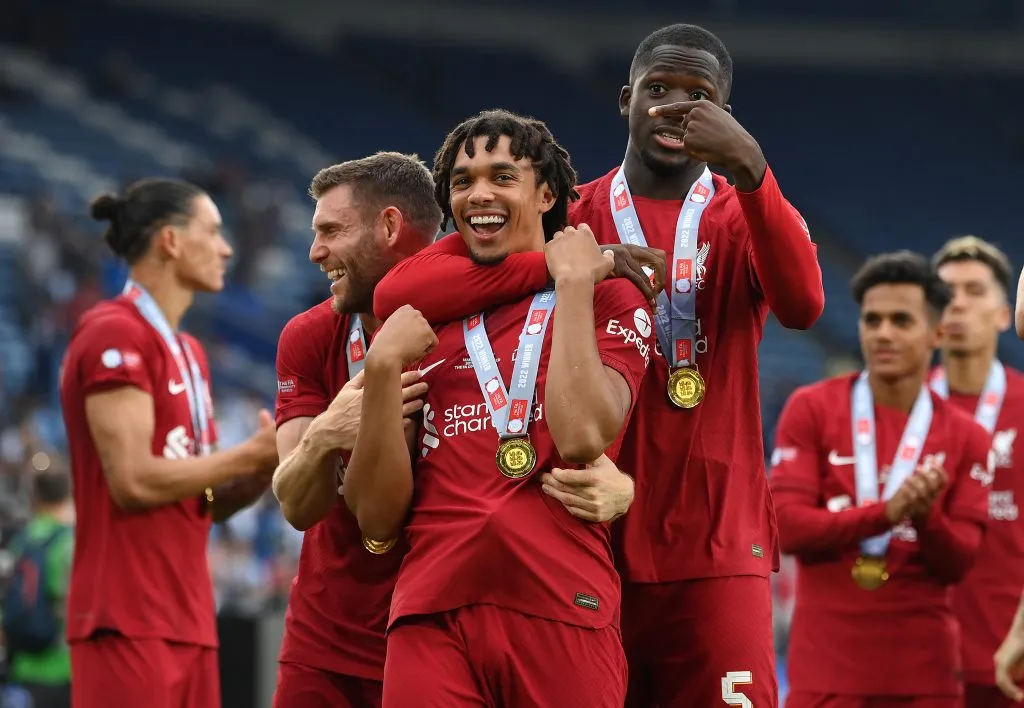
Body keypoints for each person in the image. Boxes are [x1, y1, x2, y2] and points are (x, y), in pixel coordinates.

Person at [371, 23, 824, 707]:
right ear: (625, 99)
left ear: (725, 115)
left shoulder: (744, 213)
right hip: (586, 540)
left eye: (698, 96)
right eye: (658, 88)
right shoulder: (572, 216)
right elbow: (399, 291)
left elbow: (804, 305)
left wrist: (753, 169)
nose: (674, 107)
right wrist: (576, 263)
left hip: (713, 543)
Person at [270, 150, 642, 708]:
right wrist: (327, 432)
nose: (315, 251)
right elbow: (298, 506)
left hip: (453, 618)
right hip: (334, 640)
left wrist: (627, 486)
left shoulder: (490, 322)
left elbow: (580, 424)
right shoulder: (310, 336)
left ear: (390, 226)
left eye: (331, 231)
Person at [59, 178, 279, 708]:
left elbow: (203, 500)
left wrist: (260, 471)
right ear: (170, 241)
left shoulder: (189, 352)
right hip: (126, 618)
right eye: (213, 231)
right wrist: (246, 454)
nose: (226, 248)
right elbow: (133, 481)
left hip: (190, 619)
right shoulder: (114, 331)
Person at [770, 251, 992, 708]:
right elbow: (787, 529)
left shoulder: (967, 435)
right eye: (872, 320)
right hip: (823, 676)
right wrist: (886, 513)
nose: (883, 333)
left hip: (924, 679)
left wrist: (926, 517)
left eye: (901, 320)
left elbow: (959, 564)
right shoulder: (811, 408)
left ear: (937, 333)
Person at [930, 236, 1024, 708]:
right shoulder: (896, 409)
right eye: (947, 292)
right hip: (918, 662)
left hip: (1013, 662)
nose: (958, 304)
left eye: (974, 291)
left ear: (1005, 314)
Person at [2, 465, 74, 708]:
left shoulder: (22, 540)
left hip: (24, 665)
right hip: (64, 666)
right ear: (68, 493)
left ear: (36, 496)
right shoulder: (69, 541)